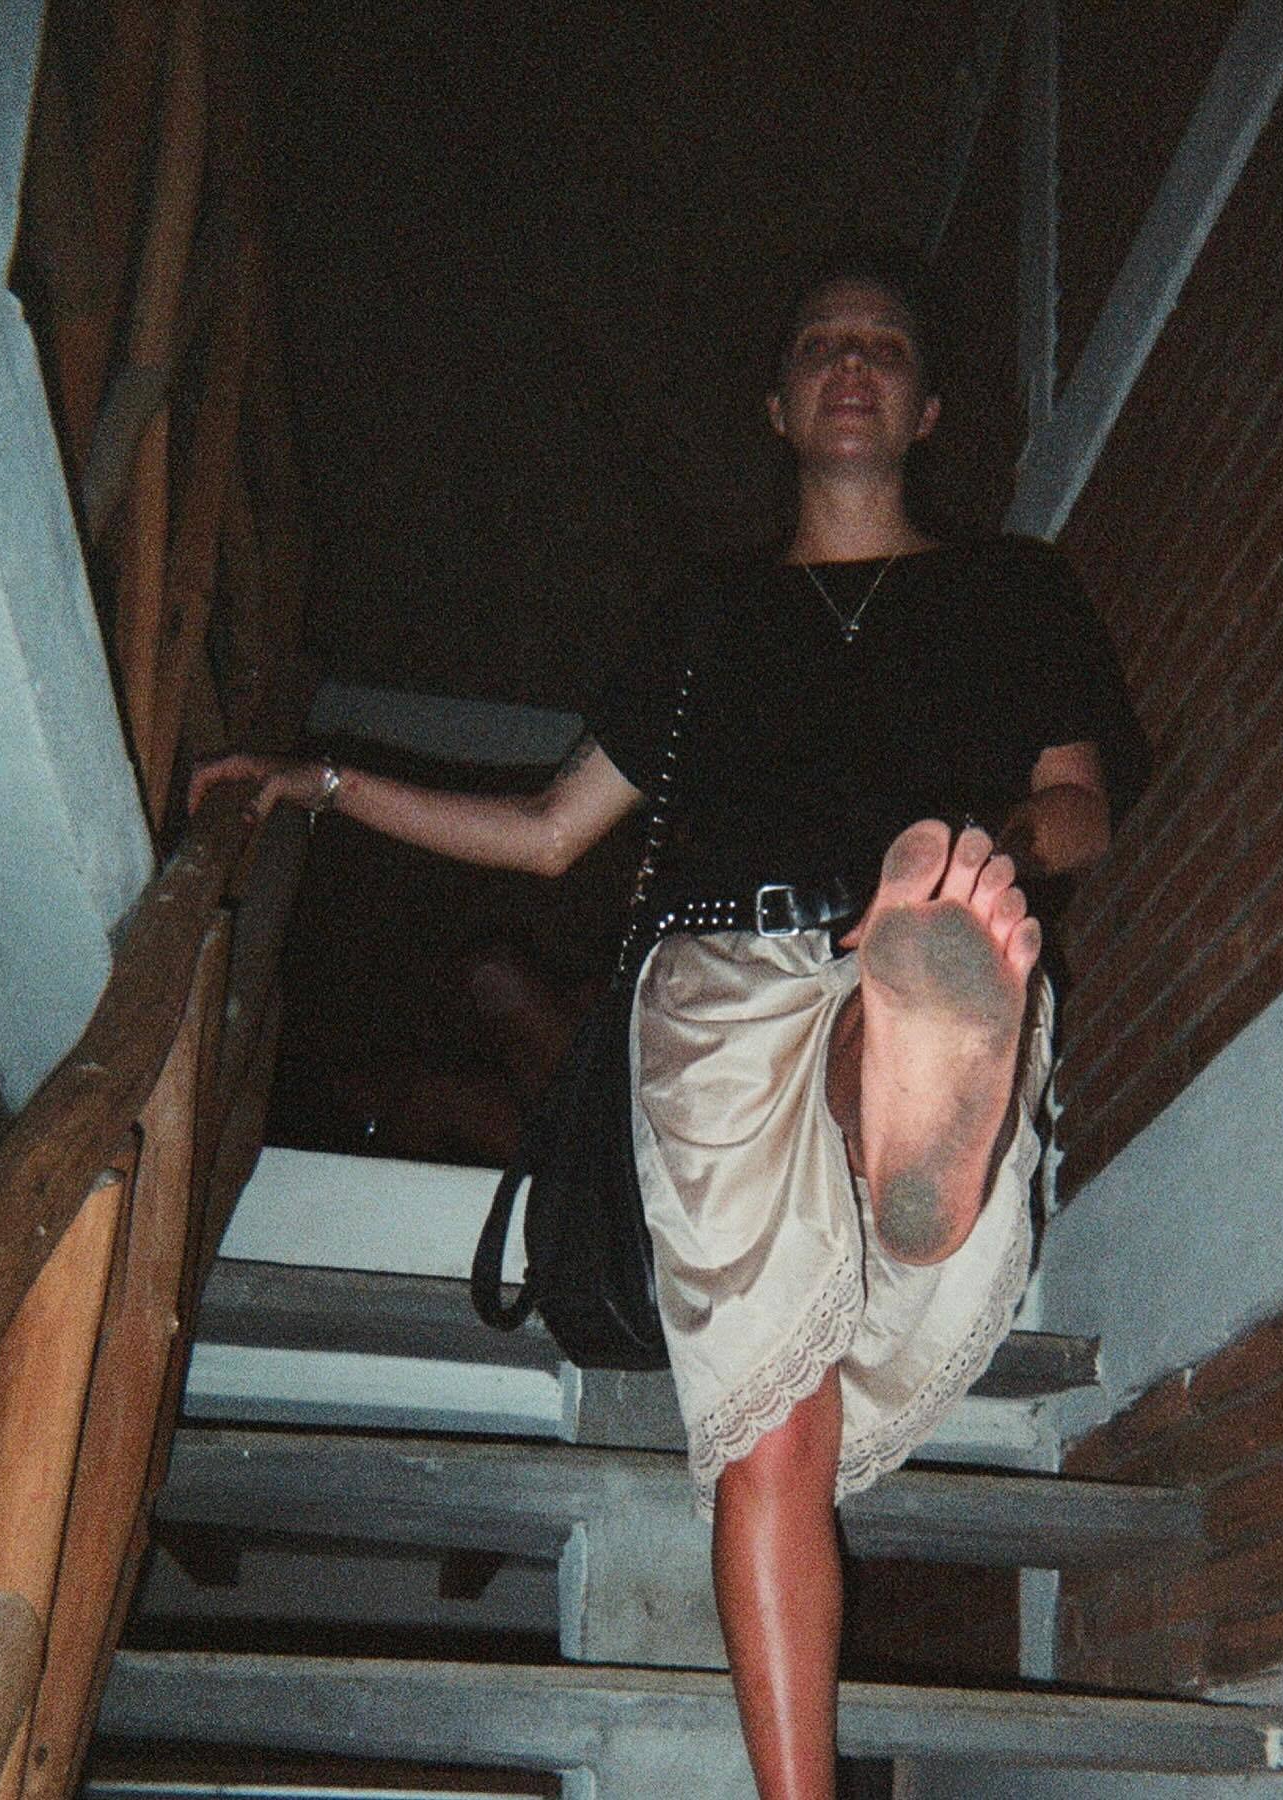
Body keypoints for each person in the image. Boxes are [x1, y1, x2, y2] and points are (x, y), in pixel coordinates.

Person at [190, 242, 1146, 1799]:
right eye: (821, 344)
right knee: (769, 1424)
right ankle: (909, 1092)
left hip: (927, 918)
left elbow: (1081, 807)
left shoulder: (1013, 592)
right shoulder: (708, 615)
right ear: (778, 406)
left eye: (885, 345)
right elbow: (551, 829)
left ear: (928, 408)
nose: (852, 363)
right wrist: (327, 782)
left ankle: (915, 1040)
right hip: (720, 986)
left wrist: (986, 857)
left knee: (906, 987)